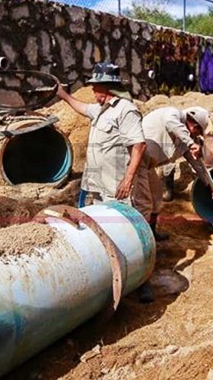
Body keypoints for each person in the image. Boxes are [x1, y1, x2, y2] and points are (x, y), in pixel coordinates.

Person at [56, 62, 157, 302]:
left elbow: (139, 145)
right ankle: (107, 271)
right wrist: (62, 95)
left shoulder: (126, 110)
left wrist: (128, 178)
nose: (94, 92)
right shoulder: (100, 108)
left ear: (109, 87)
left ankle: (144, 280)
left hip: (116, 185)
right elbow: (81, 107)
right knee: (103, 226)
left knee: (128, 230)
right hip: (96, 183)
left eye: (97, 87)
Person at [137, 106, 213, 240]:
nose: (197, 135)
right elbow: (171, 124)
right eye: (198, 131)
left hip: (147, 166)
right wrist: (191, 143)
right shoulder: (173, 114)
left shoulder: (184, 140)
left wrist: (211, 186)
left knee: (156, 197)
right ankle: (141, 240)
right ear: (195, 124)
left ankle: (151, 234)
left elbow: (198, 165)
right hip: (135, 161)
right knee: (143, 202)